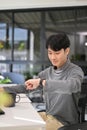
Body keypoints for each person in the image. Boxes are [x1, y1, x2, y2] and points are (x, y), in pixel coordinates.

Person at [0, 32, 84, 130]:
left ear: (67, 51)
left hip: (64, 123)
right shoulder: (47, 72)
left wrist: (41, 82)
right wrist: (4, 89)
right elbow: (26, 87)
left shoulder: (75, 71)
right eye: (50, 53)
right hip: (48, 116)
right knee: (16, 124)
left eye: (57, 53)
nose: (53, 57)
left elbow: (72, 86)